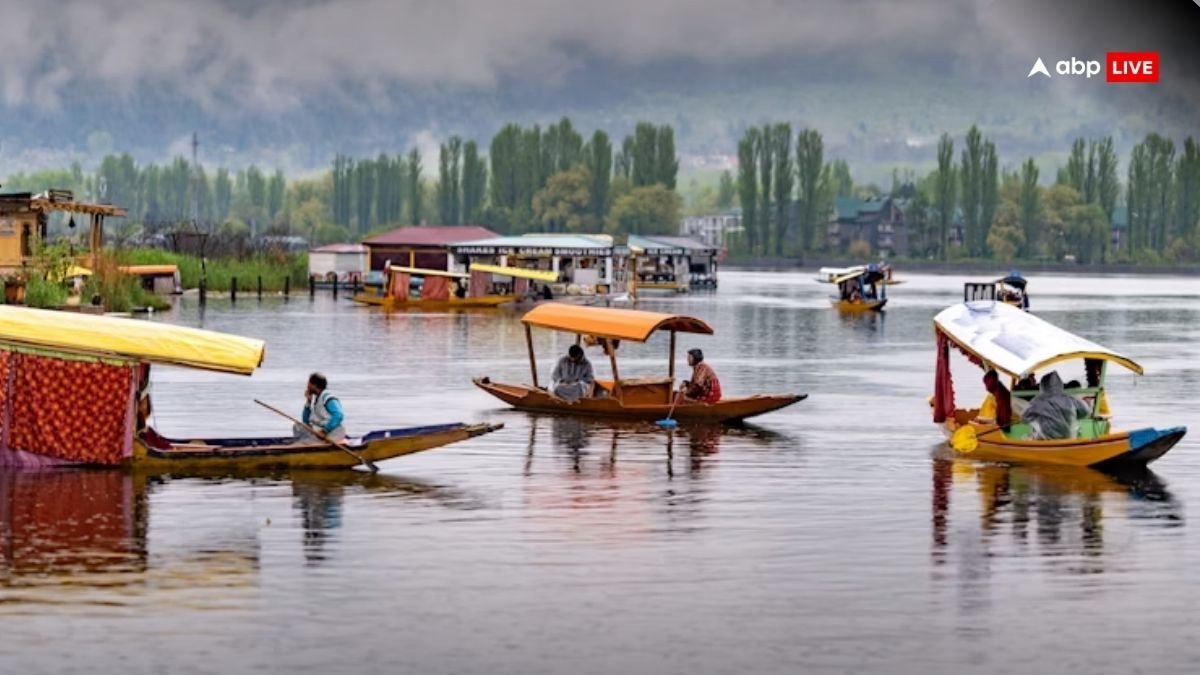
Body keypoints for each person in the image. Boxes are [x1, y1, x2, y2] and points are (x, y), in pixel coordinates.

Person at [1022, 371, 1089, 440]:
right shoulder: (1070, 399)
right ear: (1060, 384)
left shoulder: (1036, 401)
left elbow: (1024, 417)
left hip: (1045, 442)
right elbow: (1085, 412)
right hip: (1068, 440)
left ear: (1042, 386)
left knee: (1026, 437)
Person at [296, 372, 346, 441]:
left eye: (309, 383)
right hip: (321, 430)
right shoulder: (317, 399)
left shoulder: (328, 398)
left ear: (314, 385)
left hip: (333, 432)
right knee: (298, 426)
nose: (307, 386)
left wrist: (325, 431)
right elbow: (305, 421)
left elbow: (339, 415)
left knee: (303, 436)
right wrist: (308, 401)